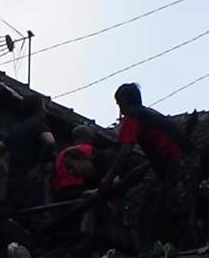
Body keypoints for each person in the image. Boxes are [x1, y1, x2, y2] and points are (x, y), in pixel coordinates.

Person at [91, 83, 198, 244]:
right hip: (178, 160)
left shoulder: (133, 118)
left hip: (180, 160)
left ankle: (184, 248)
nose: (120, 110)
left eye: (119, 104)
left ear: (125, 102)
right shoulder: (148, 114)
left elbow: (125, 151)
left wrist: (107, 180)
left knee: (177, 206)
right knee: (164, 202)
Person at [0, 95, 56, 208]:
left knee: (13, 217)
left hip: (14, 186)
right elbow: (50, 141)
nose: (45, 111)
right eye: (43, 107)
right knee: (31, 220)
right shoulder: (37, 125)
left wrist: (7, 172)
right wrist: (41, 164)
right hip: (31, 186)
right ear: (38, 109)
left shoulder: (15, 130)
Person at [51, 125, 96, 202]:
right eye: (90, 138)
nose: (91, 141)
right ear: (86, 137)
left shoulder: (62, 153)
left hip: (60, 192)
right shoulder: (87, 148)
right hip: (78, 189)